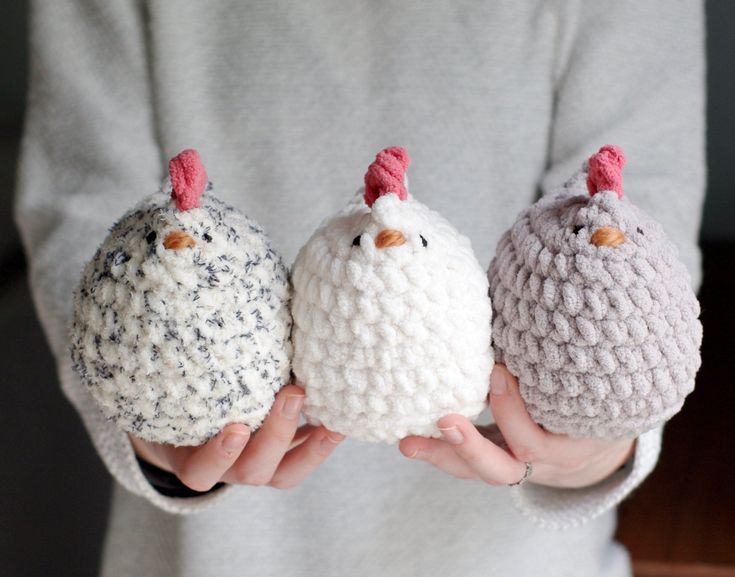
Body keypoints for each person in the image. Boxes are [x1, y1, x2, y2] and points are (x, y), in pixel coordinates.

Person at [15, 1, 705, 576]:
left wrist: (596, 441)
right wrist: (147, 429)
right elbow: (81, 200)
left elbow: (632, 215)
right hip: (211, 551)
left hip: (517, 553)